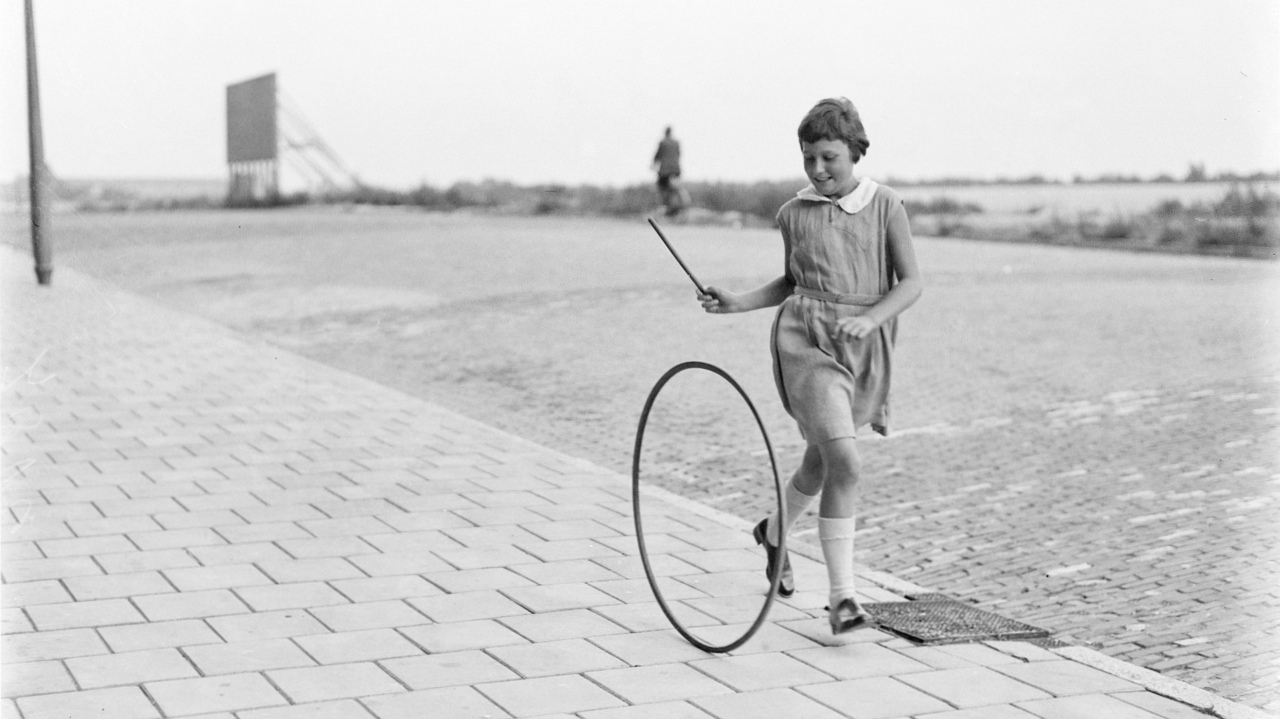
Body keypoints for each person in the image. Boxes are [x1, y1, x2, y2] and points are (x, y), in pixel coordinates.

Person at [698, 97, 923, 635]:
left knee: (822, 464)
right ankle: (844, 600)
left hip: (863, 347)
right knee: (845, 463)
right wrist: (738, 302)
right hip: (806, 344)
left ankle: (774, 532)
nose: (818, 170)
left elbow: (912, 282)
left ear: (855, 151)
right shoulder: (791, 212)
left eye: (829, 158)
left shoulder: (885, 205)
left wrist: (871, 320)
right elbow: (792, 283)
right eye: (808, 159)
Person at [652, 126, 684, 216]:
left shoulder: (663, 143)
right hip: (676, 169)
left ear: (665, 133)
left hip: (665, 171)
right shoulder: (676, 143)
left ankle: (666, 206)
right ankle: (677, 206)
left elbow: (657, 155)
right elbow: (679, 154)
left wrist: (654, 164)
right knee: (675, 188)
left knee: (661, 187)